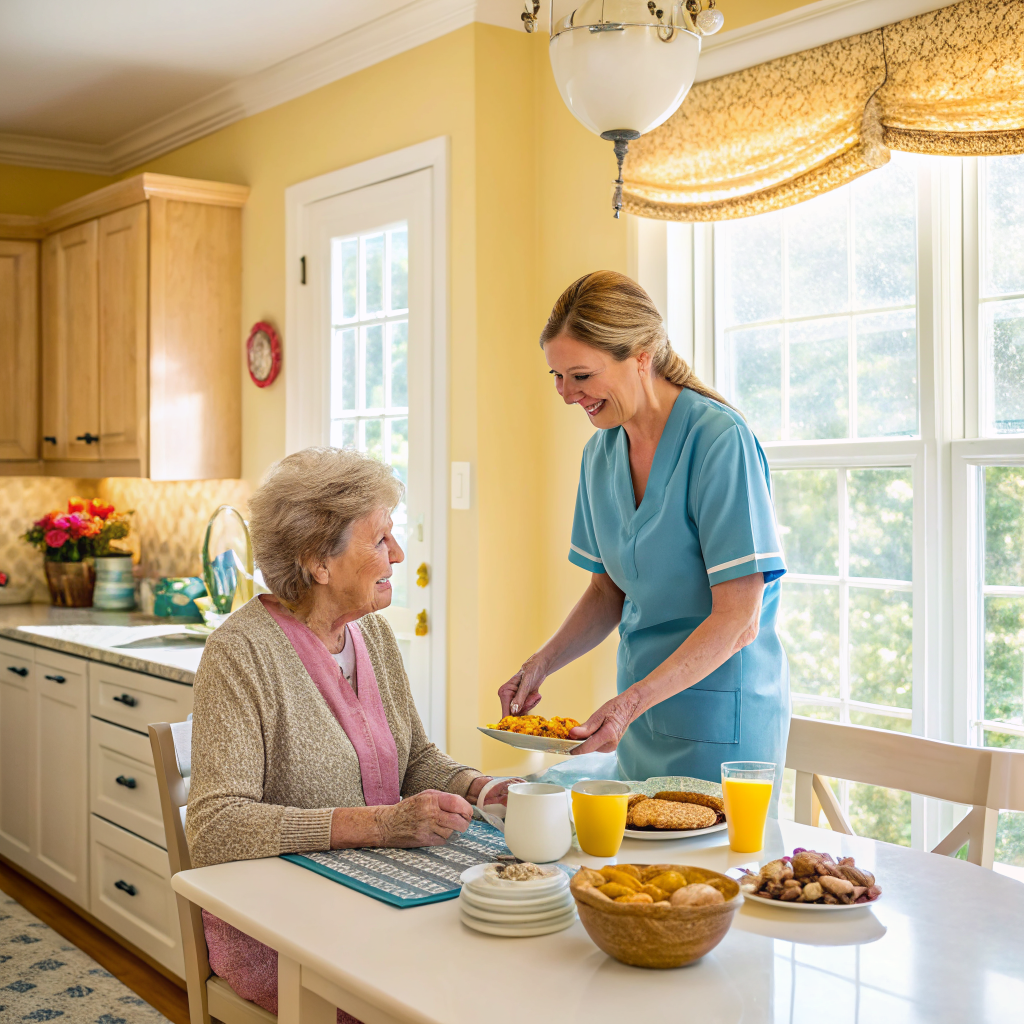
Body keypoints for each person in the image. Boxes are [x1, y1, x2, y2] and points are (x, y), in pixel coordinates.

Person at [187, 447, 516, 1020]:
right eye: (380, 540)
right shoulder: (239, 653)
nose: (398, 554)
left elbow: (414, 759)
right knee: (439, 991)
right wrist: (380, 824)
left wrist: (485, 790)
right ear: (319, 562)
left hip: (378, 897)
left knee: (499, 963)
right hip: (281, 928)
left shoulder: (374, 637)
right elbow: (216, 827)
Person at [498, 271, 789, 792]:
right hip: (636, 722)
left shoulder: (719, 441)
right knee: (628, 871)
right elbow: (607, 591)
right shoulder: (600, 453)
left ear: (641, 356)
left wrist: (630, 703)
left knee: (707, 873)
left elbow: (739, 619)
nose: (567, 395)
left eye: (581, 375)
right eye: (557, 377)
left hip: (720, 727)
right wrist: (540, 664)